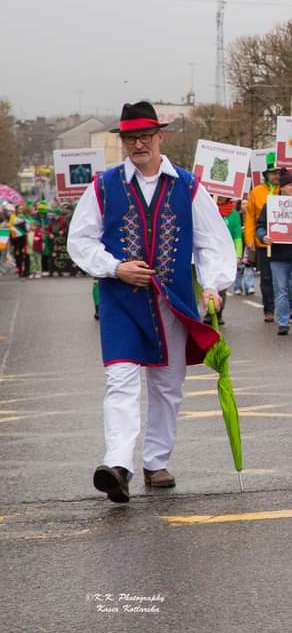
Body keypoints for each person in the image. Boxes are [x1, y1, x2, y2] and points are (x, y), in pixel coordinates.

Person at [67, 101, 235, 502]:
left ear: (160, 137)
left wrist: (213, 284)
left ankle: (155, 461)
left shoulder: (188, 186)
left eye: (145, 136)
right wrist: (114, 267)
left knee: (167, 386)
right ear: (123, 141)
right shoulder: (103, 186)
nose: (138, 144)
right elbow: (81, 240)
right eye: (130, 138)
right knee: (120, 380)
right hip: (121, 301)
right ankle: (118, 465)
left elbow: (212, 242)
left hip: (171, 302)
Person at [256, 170, 292, 336]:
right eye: (290, 185)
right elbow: (260, 226)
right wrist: (263, 237)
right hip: (278, 255)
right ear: (282, 187)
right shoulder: (271, 205)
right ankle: (283, 322)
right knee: (281, 290)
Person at [245, 151, 280, 323]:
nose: (276, 176)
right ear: (267, 174)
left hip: (282, 242)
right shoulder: (257, 192)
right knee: (266, 277)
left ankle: (284, 308)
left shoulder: (287, 189)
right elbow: (250, 217)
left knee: (282, 277)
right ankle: (269, 309)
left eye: (279, 173)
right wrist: (249, 239)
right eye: (273, 173)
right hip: (262, 242)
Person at [206, 196, 242, 325]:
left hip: (226, 253)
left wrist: (238, 254)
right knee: (209, 281)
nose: (220, 198)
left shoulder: (234, 214)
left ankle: (218, 311)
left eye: (222, 196)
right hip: (209, 250)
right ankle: (208, 312)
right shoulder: (207, 209)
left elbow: (237, 234)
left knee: (221, 284)